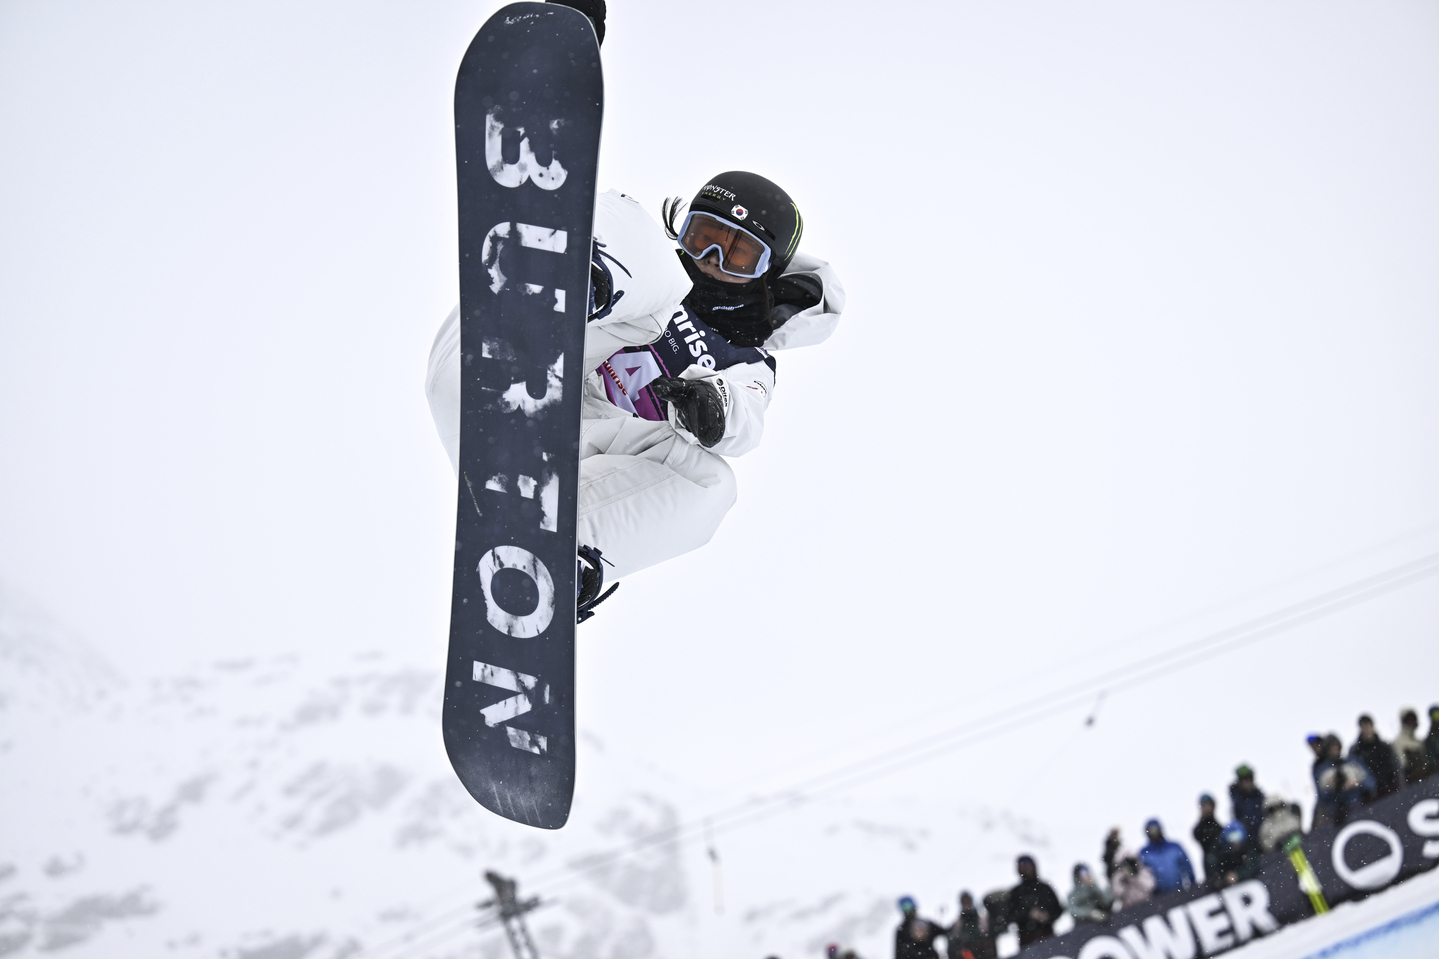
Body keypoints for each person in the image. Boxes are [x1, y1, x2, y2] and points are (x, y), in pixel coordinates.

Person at [426, 176, 844, 617]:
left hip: (581, 454)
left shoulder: (748, 358)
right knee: (658, 267)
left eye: (738, 255)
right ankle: (571, 277)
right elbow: (629, 229)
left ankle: (554, 556)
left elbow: (747, 415)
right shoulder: (654, 261)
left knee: (712, 483)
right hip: (513, 382)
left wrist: (712, 405)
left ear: (765, 273)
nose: (710, 259)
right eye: (702, 236)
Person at [1313, 733, 1373, 829]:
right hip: (1336, 815)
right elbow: (1321, 797)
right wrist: (1332, 788)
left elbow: (1371, 783)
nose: (1334, 750)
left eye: (1336, 747)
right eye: (1331, 748)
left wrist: (1355, 783)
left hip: (1359, 805)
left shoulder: (1353, 762)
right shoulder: (1322, 771)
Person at [1003, 855, 1062, 947]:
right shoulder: (1016, 892)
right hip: (1027, 940)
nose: (1026, 870)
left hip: (1047, 937)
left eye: (1028, 866)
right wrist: (1028, 914)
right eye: (1023, 867)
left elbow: (1058, 909)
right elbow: (1010, 915)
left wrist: (1047, 916)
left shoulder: (1045, 888)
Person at [1349, 714, 1403, 800]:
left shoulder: (1385, 746)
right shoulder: (1356, 751)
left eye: (1368, 726)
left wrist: (1398, 783)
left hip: (1391, 788)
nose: (1367, 730)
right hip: (1370, 797)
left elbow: (1396, 766)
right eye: (1364, 727)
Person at [1138, 819, 1196, 895]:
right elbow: (1141, 875)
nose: (1154, 833)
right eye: (1151, 830)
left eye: (1155, 829)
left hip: (1179, 891)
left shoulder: (1174, 847)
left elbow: (1187, 866)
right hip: (1157, 897)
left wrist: (1192, 884)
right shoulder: (1144, 853)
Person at [1207, 822, 1260, 888]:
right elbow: (1211, 862)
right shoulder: (1220, 848)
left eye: (1237, 836)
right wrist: (1217, 876)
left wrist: (1238, 875)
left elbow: (1252, 865)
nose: (1235, 841)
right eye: (1231, 837)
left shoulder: (1248, 846)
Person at [1393, 708, 1435, 785]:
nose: (1411, 723)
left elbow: (1427, 761)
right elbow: (1403, 766)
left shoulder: (1420, 742)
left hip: (1428, 779)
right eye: (1408, 720)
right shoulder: (1398, 743)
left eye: (1413, 720)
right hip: (1413, 784)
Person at [947, 891, 992, 959]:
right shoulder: (958, 923)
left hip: (982, 952)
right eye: (964, 903)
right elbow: (953, 941)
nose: (967, 905)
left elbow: (988, 935)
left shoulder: (981, 918)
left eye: (968, 902)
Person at [1229, 765, 1266, 846]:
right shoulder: (1237, 800)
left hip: (1263, 839)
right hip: (1247, 843)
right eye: (1244, 780)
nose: (1247, 783)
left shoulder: (1260, 797)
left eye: (1249, 779)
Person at [1192, 794, 1223, 875]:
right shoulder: (1201, 828)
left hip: (1222, 863)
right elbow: (1196, 834)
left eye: (1208, 805)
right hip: (1209, 864)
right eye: (1203, 805)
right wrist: (1202, 818)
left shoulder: (1218, 827)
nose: (1206, 808)